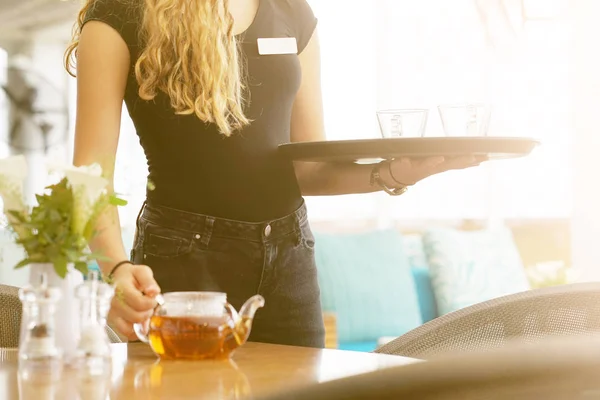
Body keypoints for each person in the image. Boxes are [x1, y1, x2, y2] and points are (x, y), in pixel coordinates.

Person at [65, 0, 484, 348]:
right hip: (182, 261)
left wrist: (395, 171)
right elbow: (88, 179)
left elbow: (310, 170)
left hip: (289, 258)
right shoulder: (119, 14)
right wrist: (116, 268)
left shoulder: (291, 12)